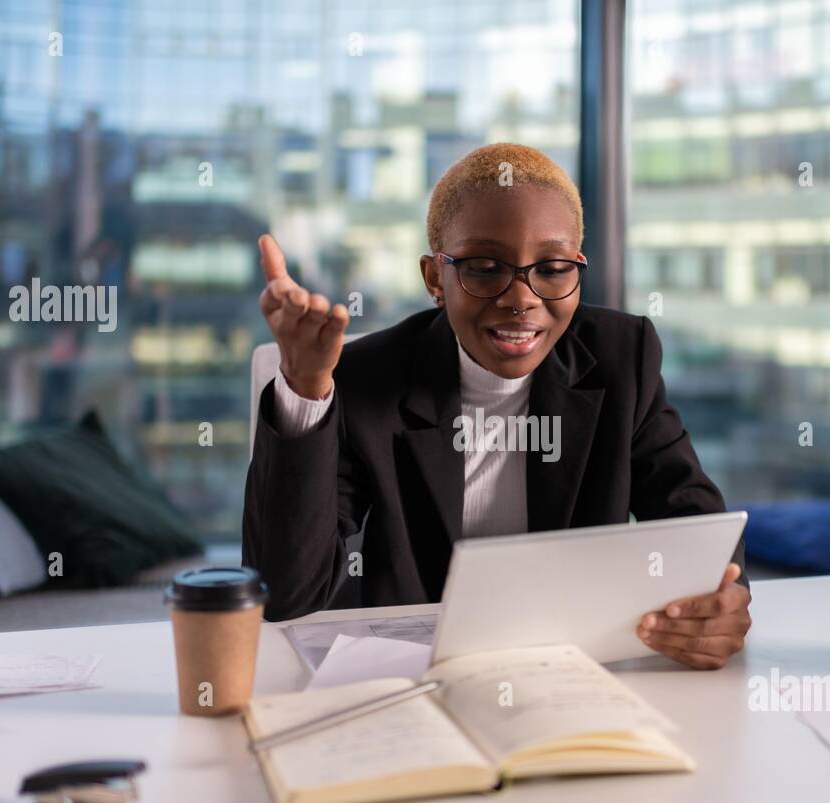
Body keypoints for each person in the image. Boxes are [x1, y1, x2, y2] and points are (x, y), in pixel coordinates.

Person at [243, 143, 750, 669]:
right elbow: (283, 596)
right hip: (413, 677)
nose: (521, 298)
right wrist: (305, 387)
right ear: (435, 278)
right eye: (485, 268)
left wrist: (717, 605)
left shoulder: (623, 358)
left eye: (552, 268)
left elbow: (697, 526)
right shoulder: (367, 380)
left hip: (575, 669)